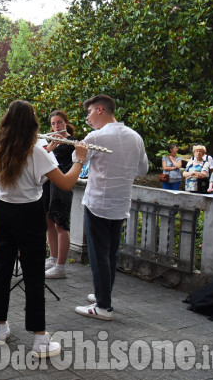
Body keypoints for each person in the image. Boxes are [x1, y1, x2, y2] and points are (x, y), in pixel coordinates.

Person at [0, 100, 88, 357]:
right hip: (28, 214)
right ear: (32, 123)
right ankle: (40, 341)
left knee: (1, 270)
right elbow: (66, 183)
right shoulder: (36, 152)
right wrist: (79, 159)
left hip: (2, 211)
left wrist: (49, 150)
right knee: (33, 275)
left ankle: (0, 328)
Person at [74, 94, 148, 321]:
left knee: (99, 256)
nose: (87, 118)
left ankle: (103, 306)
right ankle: (102, 294)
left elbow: (79, 161)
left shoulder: (97, 136)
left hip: (98, 203)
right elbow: (143, 170)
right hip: (120, 204)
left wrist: (79, 152)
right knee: (110, 254)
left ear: (99, 110)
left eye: (89, 113)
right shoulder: (135, 137)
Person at [42, 110, 77, 280]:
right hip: (49, 184)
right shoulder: (51, 140)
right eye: (53, 124)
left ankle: (61, 266)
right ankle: (53, 258)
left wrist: (55, 145)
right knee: (49, 222)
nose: (56, 126)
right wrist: (49, 146)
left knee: (61, 225)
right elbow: (44, 159)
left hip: (62, 183)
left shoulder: (73, 142)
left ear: (65, 123)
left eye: (59, 123)